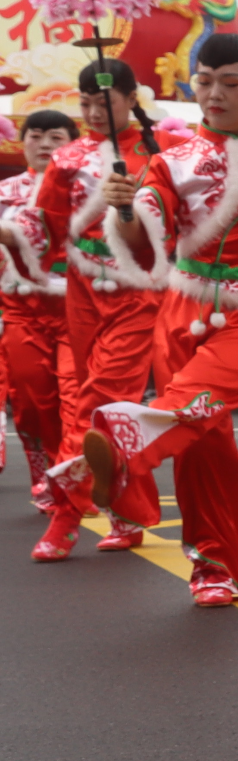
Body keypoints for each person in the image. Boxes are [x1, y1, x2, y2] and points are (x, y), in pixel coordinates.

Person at [77, 35, 238, 604]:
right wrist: (122, 208)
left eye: (232, 83)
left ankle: (130, 437)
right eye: (205, 82)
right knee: (204, 447)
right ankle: (216, 568)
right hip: (185, 307)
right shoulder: (171, 161)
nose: (215, 94)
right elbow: (144, 236)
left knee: (205, 391)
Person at [28, 58, 191, 561]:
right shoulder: (67, 157)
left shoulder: (166, 152)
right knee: (93, 397)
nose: (94, 113)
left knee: (96, 399)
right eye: (86, 105)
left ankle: (65, 515)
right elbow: (51, 226)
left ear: (130, 98)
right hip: (82, 290)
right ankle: (127, 510)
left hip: (139, 290)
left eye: (105, 103)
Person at [0, 109, 78, 509]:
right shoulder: (5, 192)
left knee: (76, 399)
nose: (45, 144)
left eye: (55, 137)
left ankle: (76, 481)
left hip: (77, 310)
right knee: (31, 402)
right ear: (22, 140)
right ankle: (46, 477)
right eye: (36, 135)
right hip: (20, 310)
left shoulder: (87, 189)